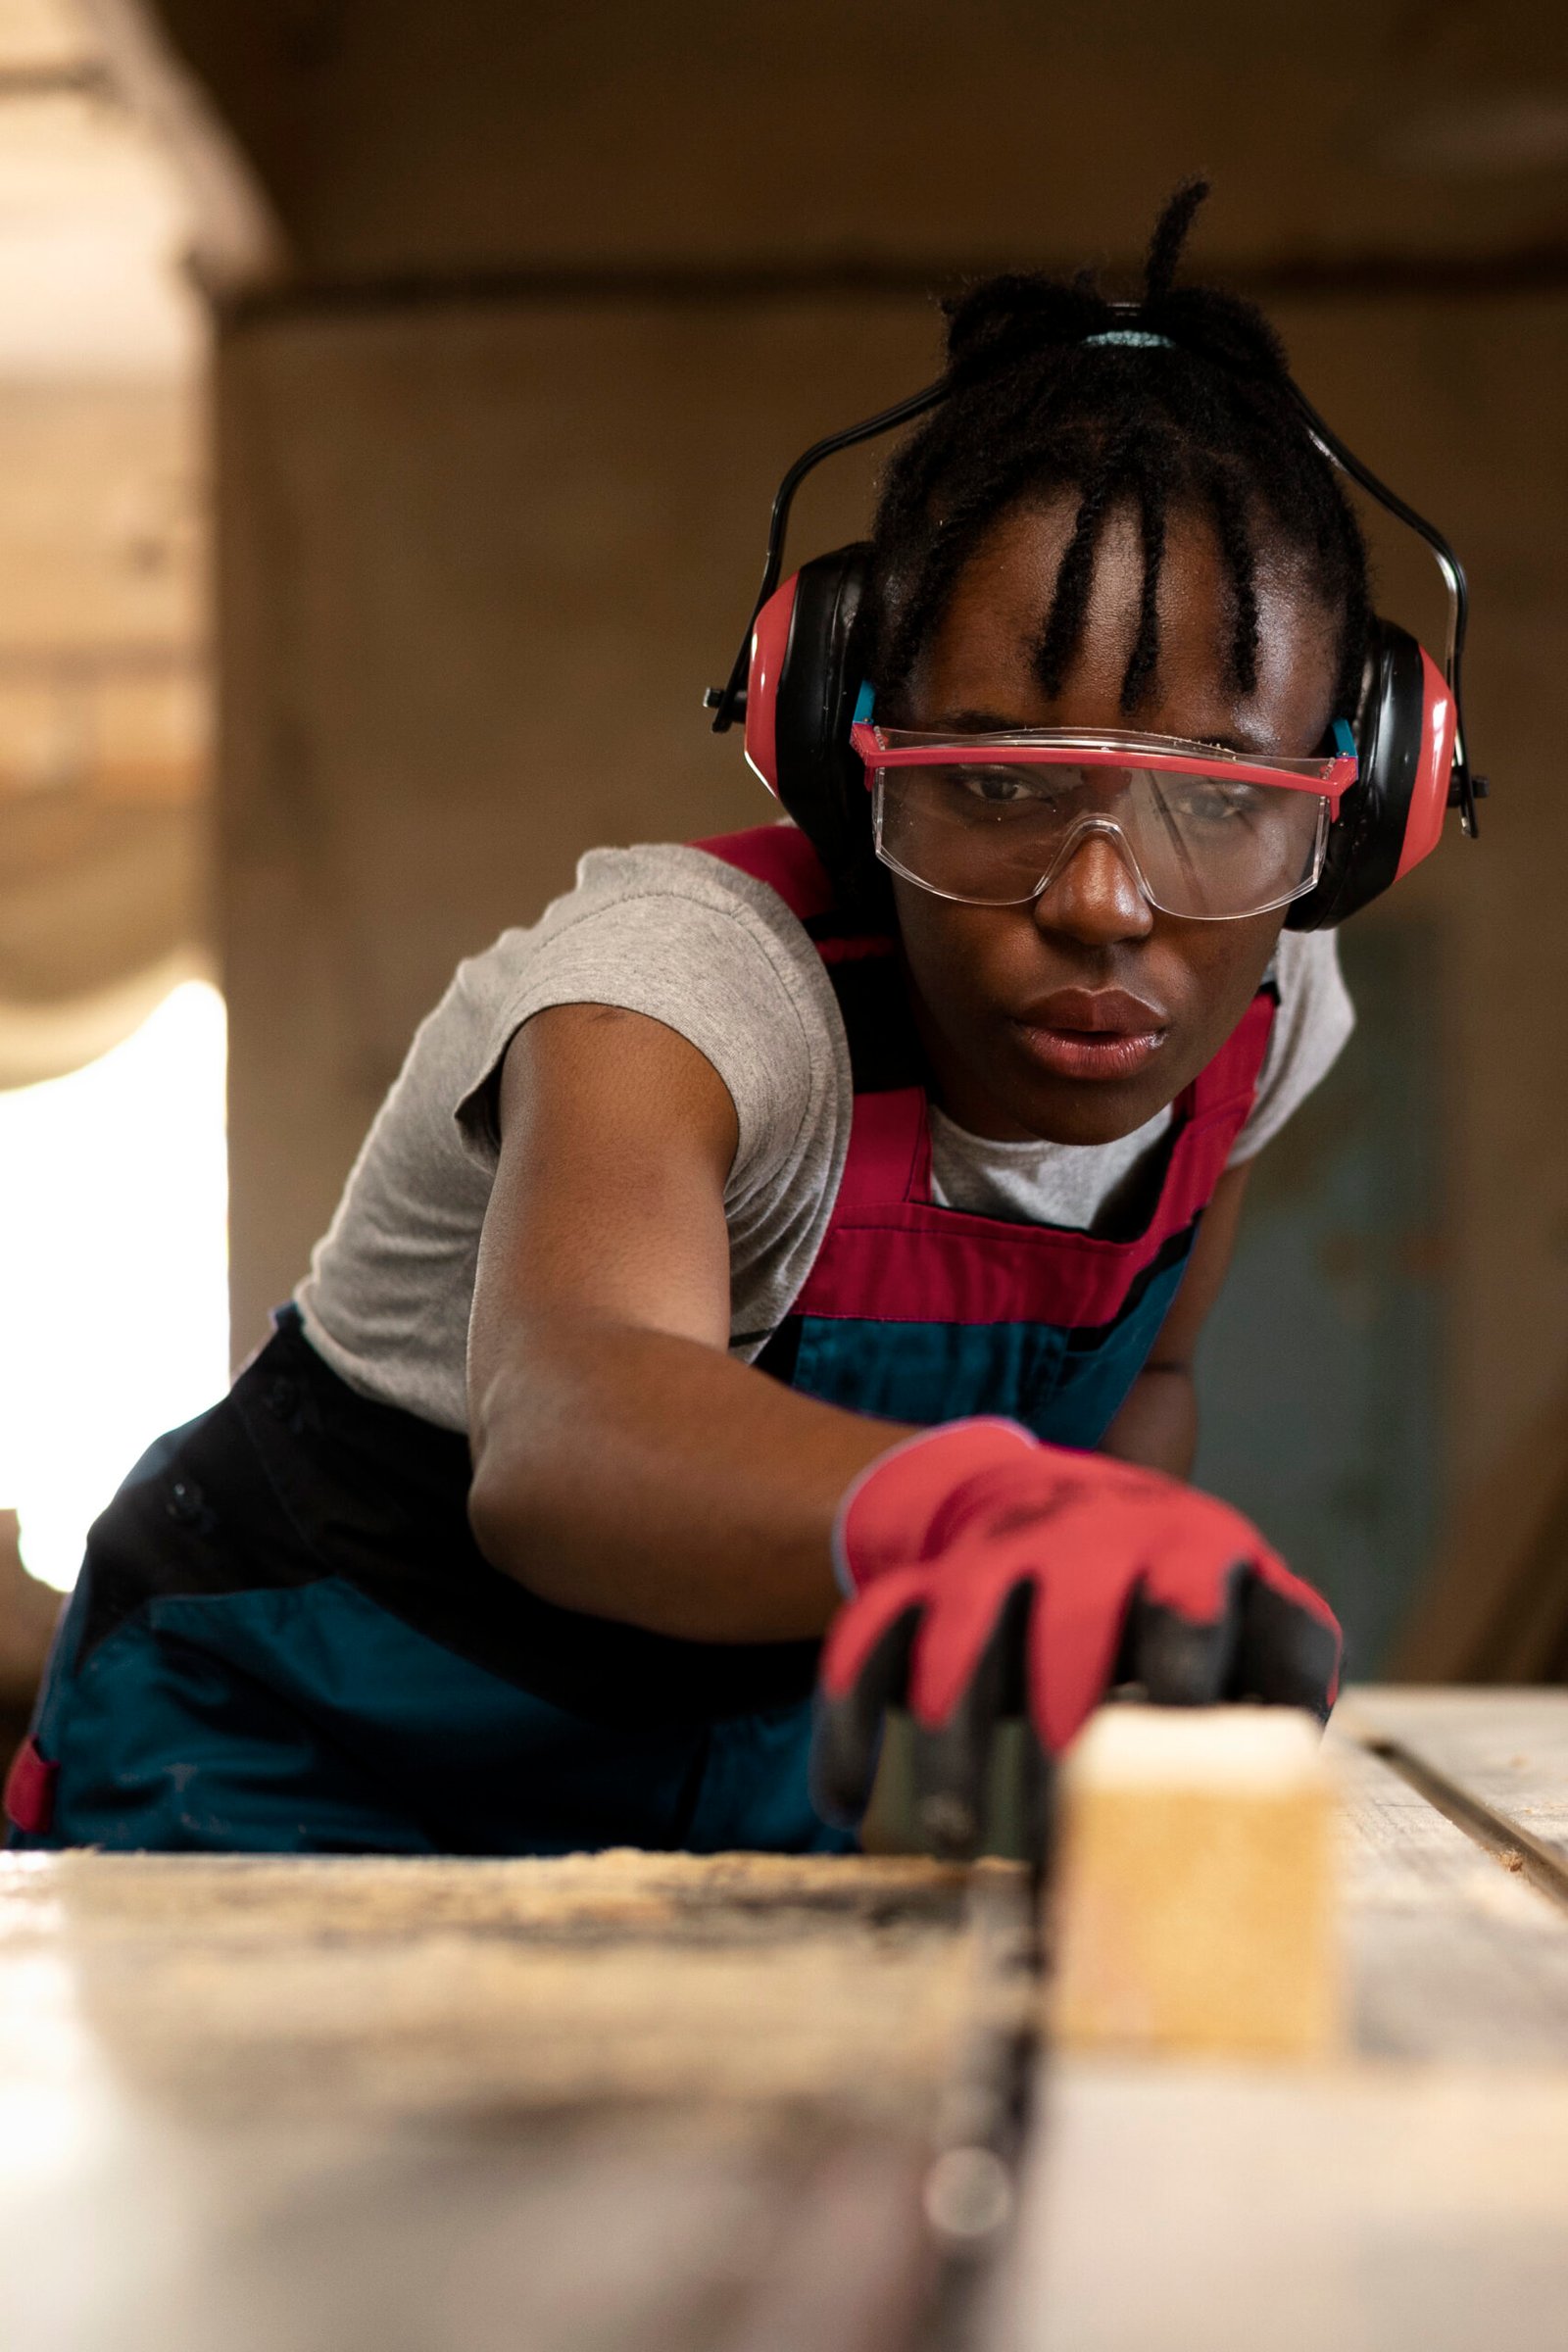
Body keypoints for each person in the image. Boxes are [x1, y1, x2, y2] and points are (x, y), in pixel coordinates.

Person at [7, 184, 1468, 1857]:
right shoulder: (684, 999)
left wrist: (1085, 1644)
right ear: (849, 757)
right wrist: (980, 1508)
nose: (1105, 901)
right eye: (993, 781)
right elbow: (570, 1430)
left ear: (1357, 814)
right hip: (287, 1765)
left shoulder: (1275, 1011)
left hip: (717, 1792)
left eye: (1223, 805)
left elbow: (1159, 1371)